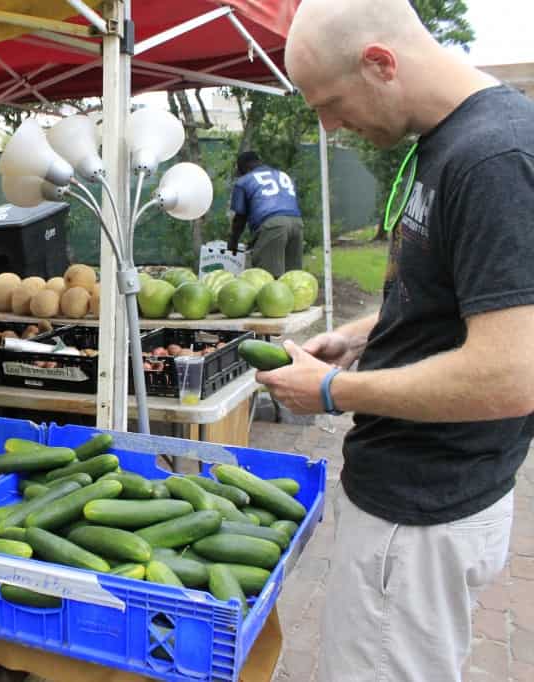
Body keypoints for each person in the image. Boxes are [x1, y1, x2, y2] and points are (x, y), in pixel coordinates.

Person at [259, 1, 534, 680]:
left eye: (329, 102)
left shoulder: (494, 157)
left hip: (420, 516)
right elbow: (450, 296)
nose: (328, 125)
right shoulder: (450, 141)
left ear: (380, 63)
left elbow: (510, 373)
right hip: (416, 502)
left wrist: (329, 390)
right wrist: (359, 336)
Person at [227, 150, 304, 278]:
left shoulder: (244, 181)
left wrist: (233, 242)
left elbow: (240, 217)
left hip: (272, 225)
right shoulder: (283, 175)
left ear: (243, 167)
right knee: (293, 277)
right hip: (297, 222)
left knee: (267, 278)